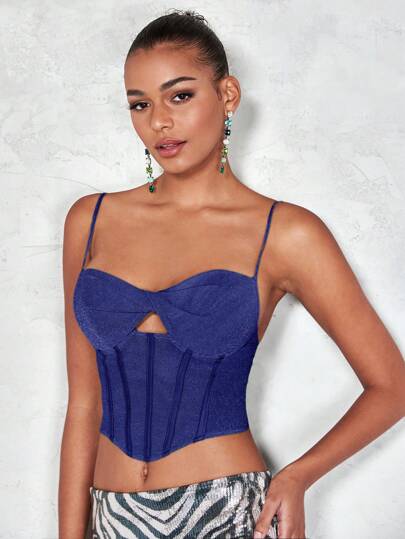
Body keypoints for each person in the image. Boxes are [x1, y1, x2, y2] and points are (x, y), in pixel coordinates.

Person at [58, 9, 405, 539]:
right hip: (112, 516)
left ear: (228, 95)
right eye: (140, 104)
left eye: (180, 96)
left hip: (225, 511)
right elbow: (84, 404)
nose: (159, 122)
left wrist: (297, 477)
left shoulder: (284, 232)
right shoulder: (91, 220)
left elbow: (392, 386)